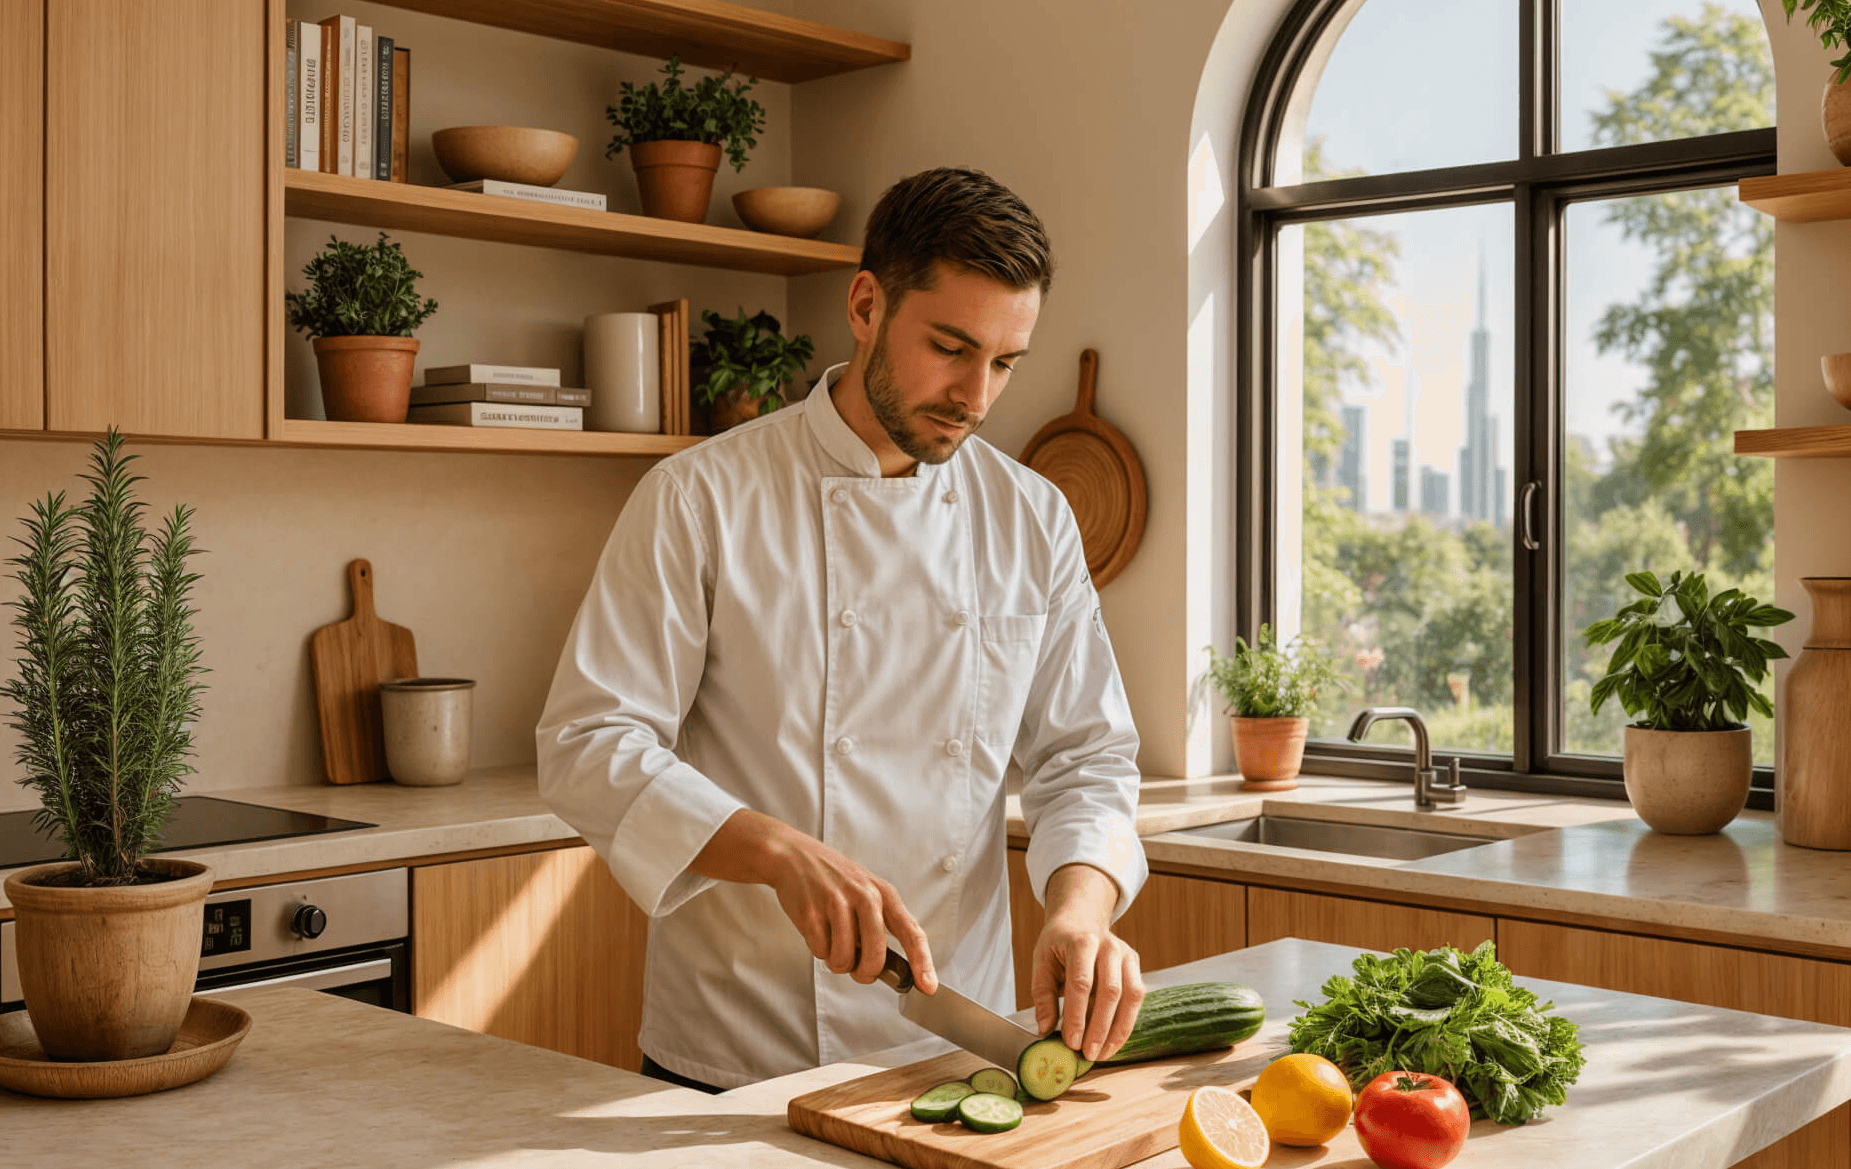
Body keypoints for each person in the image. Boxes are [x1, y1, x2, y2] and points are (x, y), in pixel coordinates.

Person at [536, 166, 1148, 1093]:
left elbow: (1086, 757)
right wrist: (777, 852)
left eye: (1004, 362)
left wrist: (1079, 909)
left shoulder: (1031, 516)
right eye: (949, 346)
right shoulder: (699, 497)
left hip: (953, 1046)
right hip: (740, 1043)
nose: (976, 395)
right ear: (866, 304)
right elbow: (587, 743)